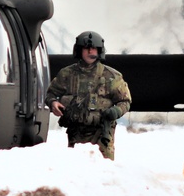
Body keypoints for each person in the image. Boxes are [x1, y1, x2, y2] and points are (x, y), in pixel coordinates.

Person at [45, 31, 132, 159]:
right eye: (86, 48)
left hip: (101, 133)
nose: (90, 52)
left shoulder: (111, 76)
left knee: (104, 167)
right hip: (76, 132)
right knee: (77, 168)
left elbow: (125, 101)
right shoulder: (66, 74)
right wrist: (53, 103)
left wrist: (116, 111)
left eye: (94, 49)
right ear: (80, 50)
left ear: (99, 51)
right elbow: (51, 94)